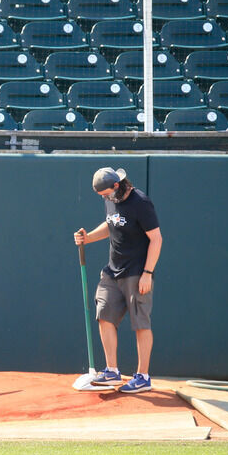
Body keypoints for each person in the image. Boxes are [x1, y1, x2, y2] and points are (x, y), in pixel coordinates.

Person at [73, 167, 162, 393]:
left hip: (137, 272)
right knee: (104, 314)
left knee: (140, 323)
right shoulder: (110, 199)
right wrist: (88, 238)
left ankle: (143, 376)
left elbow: (156, 239)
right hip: (113, 271)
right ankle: (112, 372)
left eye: (105, 194)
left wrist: (148, 273)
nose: (104, 198)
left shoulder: (140, 202)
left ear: (116, 185)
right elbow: (111, 223)